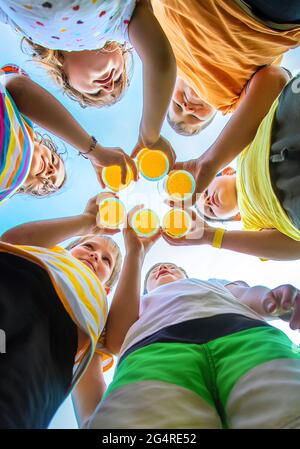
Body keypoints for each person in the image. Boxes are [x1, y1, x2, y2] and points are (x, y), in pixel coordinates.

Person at [0, 195, 159, 428]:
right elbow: (12, 240)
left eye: (107, 261)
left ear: (106, 289)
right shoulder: (51, 254)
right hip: (15, 281)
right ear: (68, 250)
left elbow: (117, 342)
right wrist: (88, 221)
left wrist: (136, 252)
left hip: (49, 354)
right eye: (88, 246)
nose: (96, 255)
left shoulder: (98, 312)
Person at [85, 260, 300, 429]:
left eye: (172, 267)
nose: (163, 268)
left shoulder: (213, 283)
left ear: (185, 275)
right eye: (154, 271)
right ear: (146, 288)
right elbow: (117, 337)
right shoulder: (135, 303)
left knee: (288, 412)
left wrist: (271, 297)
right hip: (153, 353)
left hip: (245, 335)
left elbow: (245, 293)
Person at [0, 1, 177, 164]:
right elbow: (160, 62)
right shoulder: (123, 19)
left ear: (64, 75)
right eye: (118, 79)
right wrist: (150, 134)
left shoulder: (23, 27)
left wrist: (93, 151)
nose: (108, 86)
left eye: (95, 92)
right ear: (122, 51)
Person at [168, 74, 300, 261]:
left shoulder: (241, 148)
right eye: (210, 211)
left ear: (227, 172)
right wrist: (211, 236)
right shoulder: (251, 224)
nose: (207, 202)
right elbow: (296, 248)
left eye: (204, 193)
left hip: (290, 118)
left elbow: (274, 78)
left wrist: (207, 163)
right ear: (236, 217)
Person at [0, 64, 136, 203]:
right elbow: (17, 87)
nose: (51, 171)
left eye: (47, 184)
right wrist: (94, 151)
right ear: (40, 142)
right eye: (53, 159)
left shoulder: (4, 193)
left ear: (24, 190)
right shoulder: (21, 120)